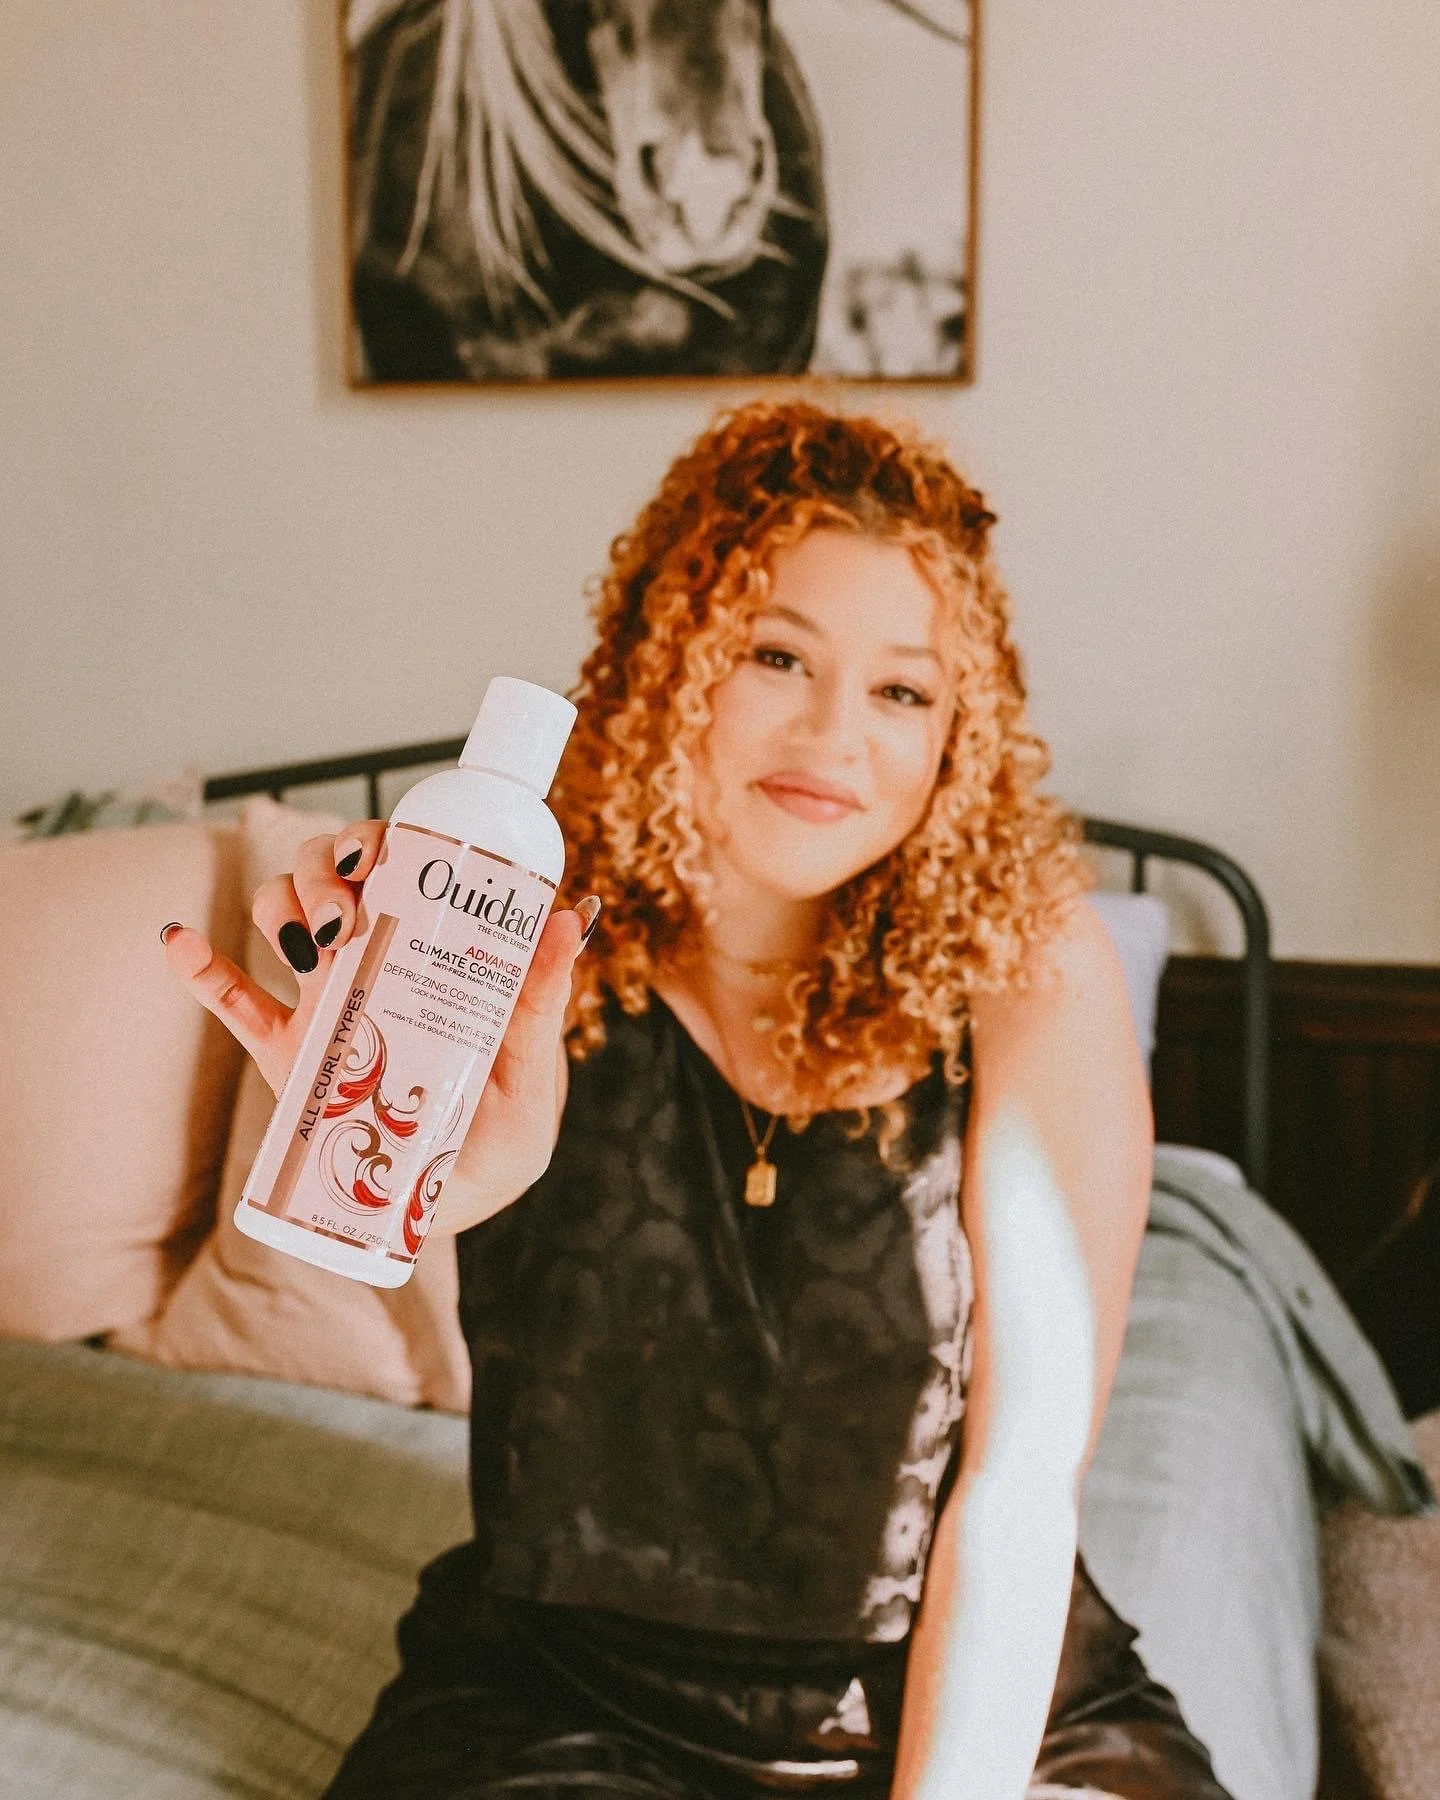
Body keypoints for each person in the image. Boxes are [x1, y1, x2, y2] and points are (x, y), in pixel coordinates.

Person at [162, 400, 1232, 1800]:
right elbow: (405, 1249)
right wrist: (412, 1159)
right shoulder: (509, 918)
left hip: (970, 1693)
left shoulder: (1027, 962)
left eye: (903, 692)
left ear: (957, 733)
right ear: (670, 659)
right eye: (777, 656)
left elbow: (1022, 1481)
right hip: (563, 1703)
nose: (836, 734)